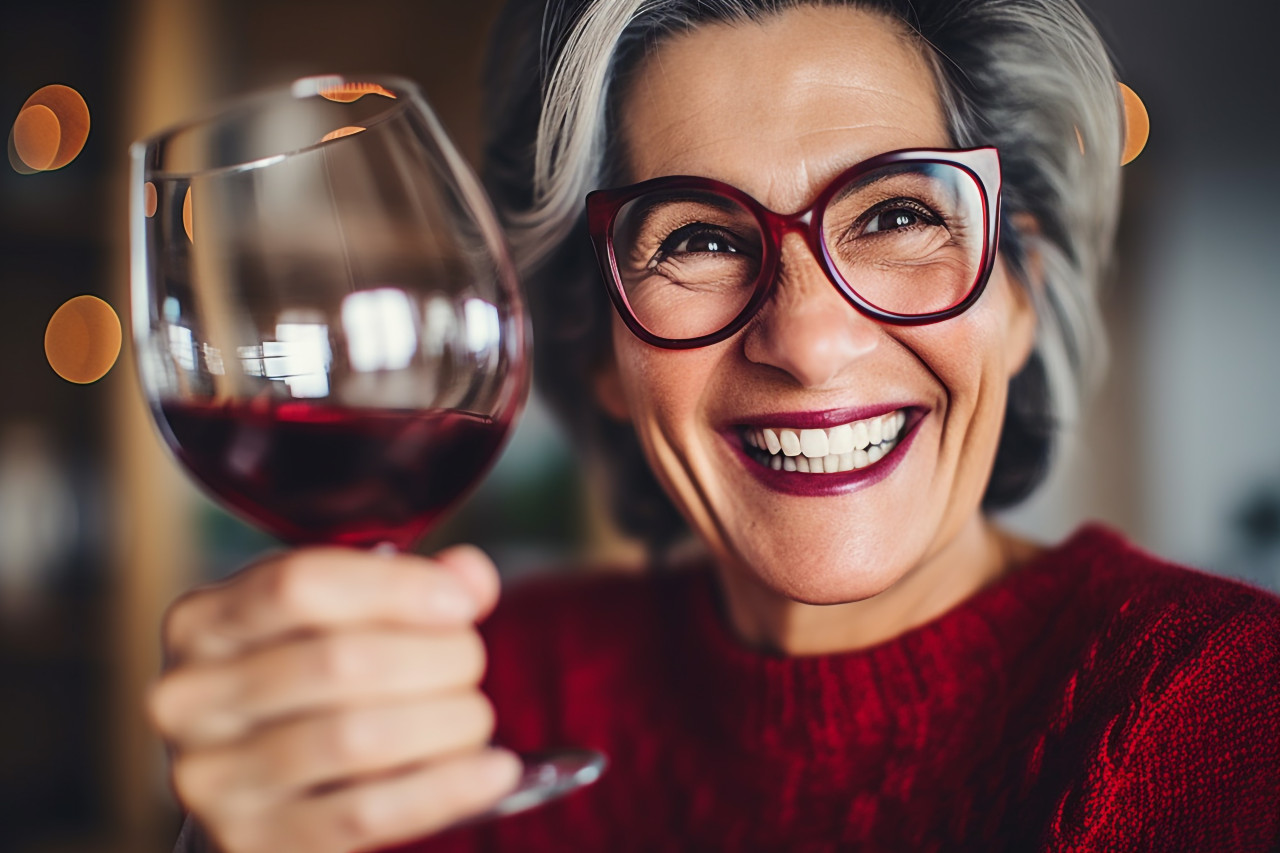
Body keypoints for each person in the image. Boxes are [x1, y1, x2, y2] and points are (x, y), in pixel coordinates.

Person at [153, 0, 1280, 851]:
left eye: (895, 214)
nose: (806, 339)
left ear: (1019, 293)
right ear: (596, 346)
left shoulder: (1223, 710)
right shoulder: (470, 704)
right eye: (694, 237)